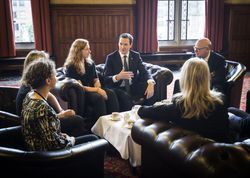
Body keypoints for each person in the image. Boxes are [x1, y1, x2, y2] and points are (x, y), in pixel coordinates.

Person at [138, 57, 231, 142]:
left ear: (184, 78)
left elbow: (143, 111)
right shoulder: (220, 101)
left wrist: (159, 105)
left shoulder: (179, 105)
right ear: (207, 77)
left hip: (192, 153)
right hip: (224, 152)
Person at [21, 58, 98, 151]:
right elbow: (53, 146)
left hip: (38, 147)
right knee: (94, 140)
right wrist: (70, 139)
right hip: (48, 157)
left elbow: (45, 129)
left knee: (79, 124)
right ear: (48, 81)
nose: (56, 76)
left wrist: (60, 135)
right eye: (54, 74)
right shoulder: (41, 107)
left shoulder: (30, 95)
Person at [16, 50, 88, 136]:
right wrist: (61, 115)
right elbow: (39, 121)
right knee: (77, 120)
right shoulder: (28, 95)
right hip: (38, 130)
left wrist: (60, 110)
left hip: (43, 127)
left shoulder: (33, 87)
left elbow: (49, 96)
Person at [64, 38, 119, 122]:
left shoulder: (90, 63)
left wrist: (98, 86)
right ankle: (101, 125)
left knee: (111, 93)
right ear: (78, 51)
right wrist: (97, 90)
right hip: (83, 92)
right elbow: (80, 87)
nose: (90, 51)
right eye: (87, 49)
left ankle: (114, 121)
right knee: (98, 97)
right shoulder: (71, 66)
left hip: (93, 89)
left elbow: (95, 79)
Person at [104, 33, 155, 111]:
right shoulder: (111, 57)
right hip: (117, 87)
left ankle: (149, 114)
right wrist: (118, 76)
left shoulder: (135, 56)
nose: (122, 47)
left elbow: (144, 71)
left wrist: (151, 83)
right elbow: (105, 78)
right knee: (125, 97)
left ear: (130, 45)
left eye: (125, 44)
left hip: (132, 85)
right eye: (120, 44)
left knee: (152, 87)